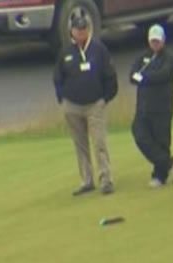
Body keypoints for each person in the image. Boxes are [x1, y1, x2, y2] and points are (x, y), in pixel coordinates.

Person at [53, 17, 118, 196]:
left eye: (83, 29)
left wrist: (105, 98)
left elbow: (110, 75)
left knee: (99, 142)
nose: (80, 33)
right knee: (80, 145)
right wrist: (62, 99)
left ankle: (106, 179)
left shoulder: (98, 49)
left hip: (95, 104)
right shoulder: (66, 51)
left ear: (88, 30)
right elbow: (58, 77)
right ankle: (87, 180)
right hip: (72, 106)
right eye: (77, 30)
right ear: (71, 31)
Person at [129, 24, 173, 188]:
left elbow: (163, 75)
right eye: (152, 41)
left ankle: (160, 175)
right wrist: (142, 77)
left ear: (163, 41)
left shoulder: (170, 59)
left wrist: (143, 78)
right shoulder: (142, 58)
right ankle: (169, 163)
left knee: (161, 141)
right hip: (143, 107)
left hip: (162, 108)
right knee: (140, 135)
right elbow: (132, 76)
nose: (155, 44)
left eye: (158, 41)